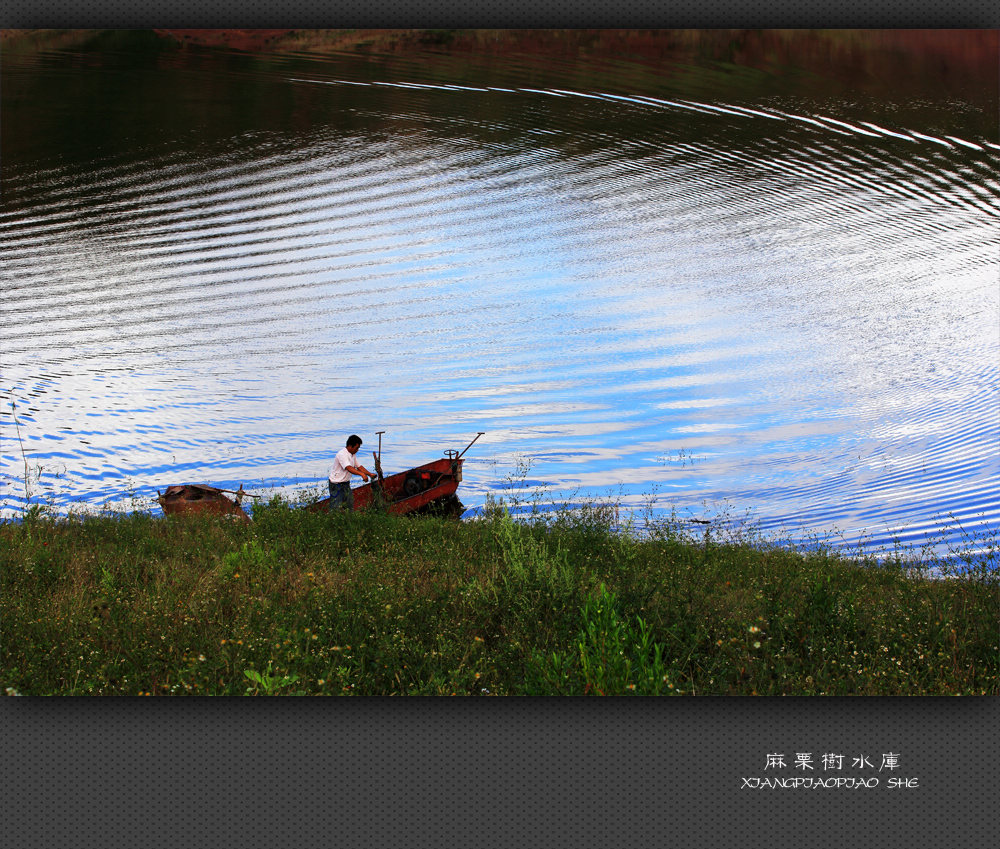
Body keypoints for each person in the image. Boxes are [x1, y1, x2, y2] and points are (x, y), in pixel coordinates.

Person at [328, 434, 373, 510]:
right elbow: (348, 468)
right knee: (336, 507)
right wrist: (362, 474)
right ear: (350, 446)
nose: (357, 450)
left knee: (349, 505)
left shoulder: (352, 454)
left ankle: (348, 520)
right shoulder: (342, 454)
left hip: (345, 484)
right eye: (356, 448)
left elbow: (359, 466)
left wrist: (369, 474)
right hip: (336, 485)